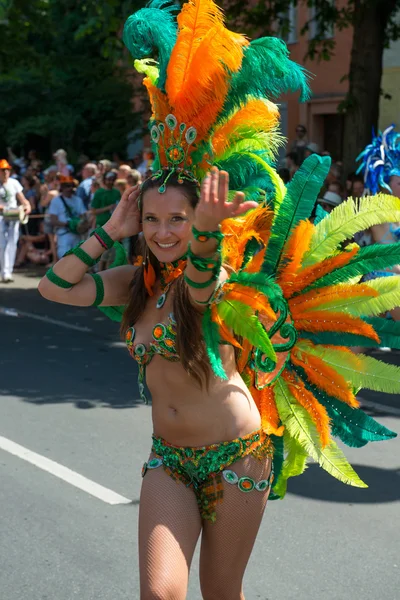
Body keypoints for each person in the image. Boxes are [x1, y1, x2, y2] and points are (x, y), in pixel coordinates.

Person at [38, 2, 399, 598]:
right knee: (160, 592)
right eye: (152, 219)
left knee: (220, 591)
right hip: (168, 460)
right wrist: (111, 231)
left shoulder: (219, 273)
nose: (162, 232)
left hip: (239, 457)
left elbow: (202, 285)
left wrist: (205, 229)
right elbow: (55, 286)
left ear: (195, 219)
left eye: (175, 218)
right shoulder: (133, 280)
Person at [357, 124, 400, 320]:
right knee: (361, 336)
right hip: (383, 276)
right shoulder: (379, 211)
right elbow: (387, 255)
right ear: (386, 183)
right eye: (399, 183)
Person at [0, 159, 32, 282]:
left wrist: (27, 206)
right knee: (2, 245)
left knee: (12, 243)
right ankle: (4, 271)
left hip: (14, 216)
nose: (5, 172)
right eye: (3, 170)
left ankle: (8, 271)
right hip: (1, 216)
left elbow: (22, 198)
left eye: (7, 169)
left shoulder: (14, 183)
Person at [47, 175, 86, 259]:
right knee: (64, 257)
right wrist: (67, 224)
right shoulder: (56, 201)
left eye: (72, 186)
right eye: (67, 186)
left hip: (77, 234)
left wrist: (80, 224)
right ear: (62, 187)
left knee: (77, 258)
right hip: (63, 234)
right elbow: (53, 220)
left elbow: (83, 216)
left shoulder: (78, 200)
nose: (70, 188)